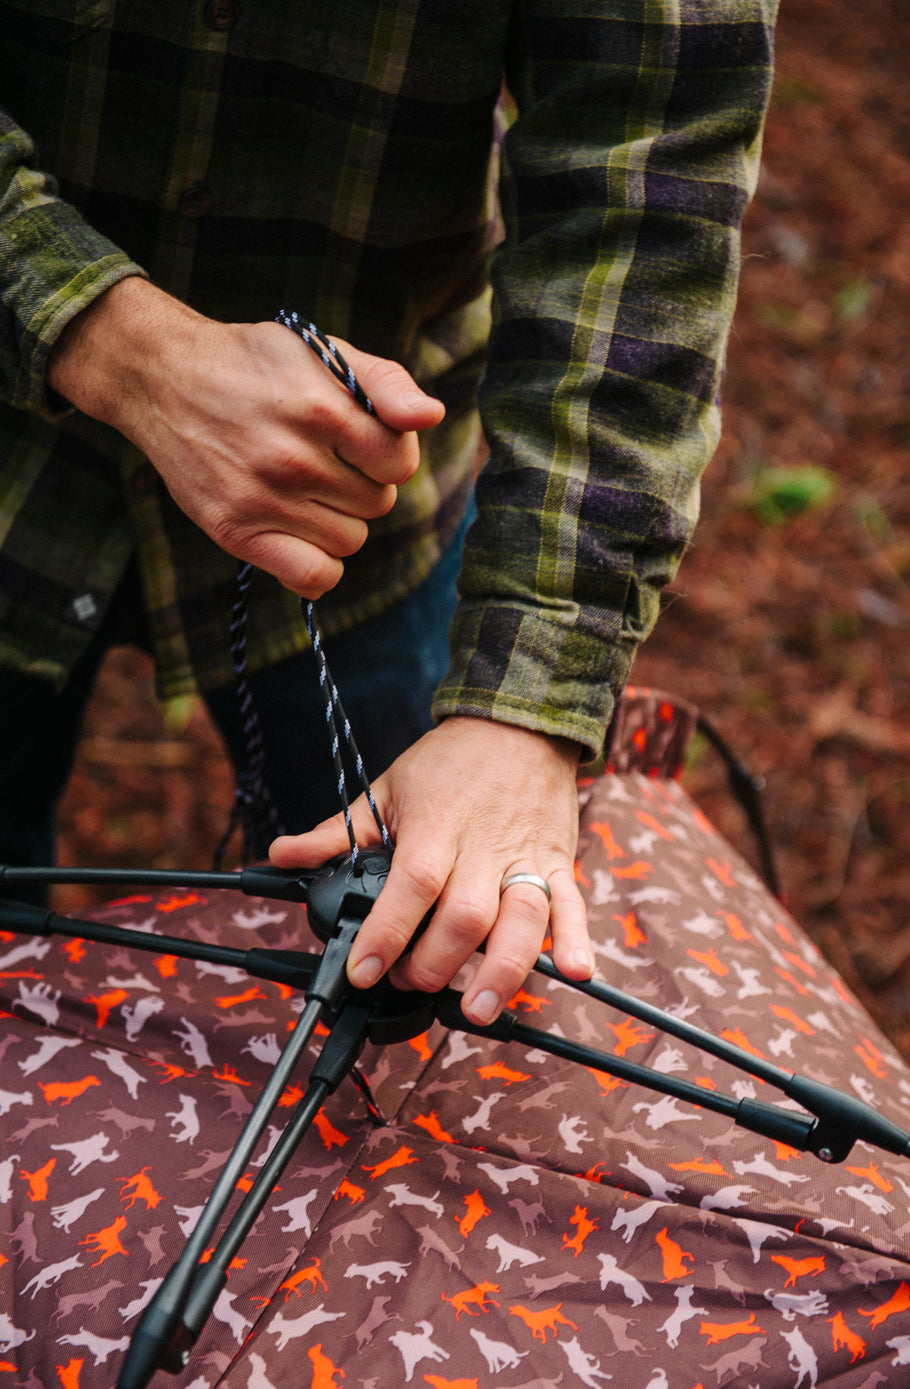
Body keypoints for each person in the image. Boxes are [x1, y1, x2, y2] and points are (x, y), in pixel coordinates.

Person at [0, 2, 777, 1027]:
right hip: (19, 477)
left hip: (366, 521)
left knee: (426, 980)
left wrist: (525, 701)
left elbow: (645, 193)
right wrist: (103, 335)